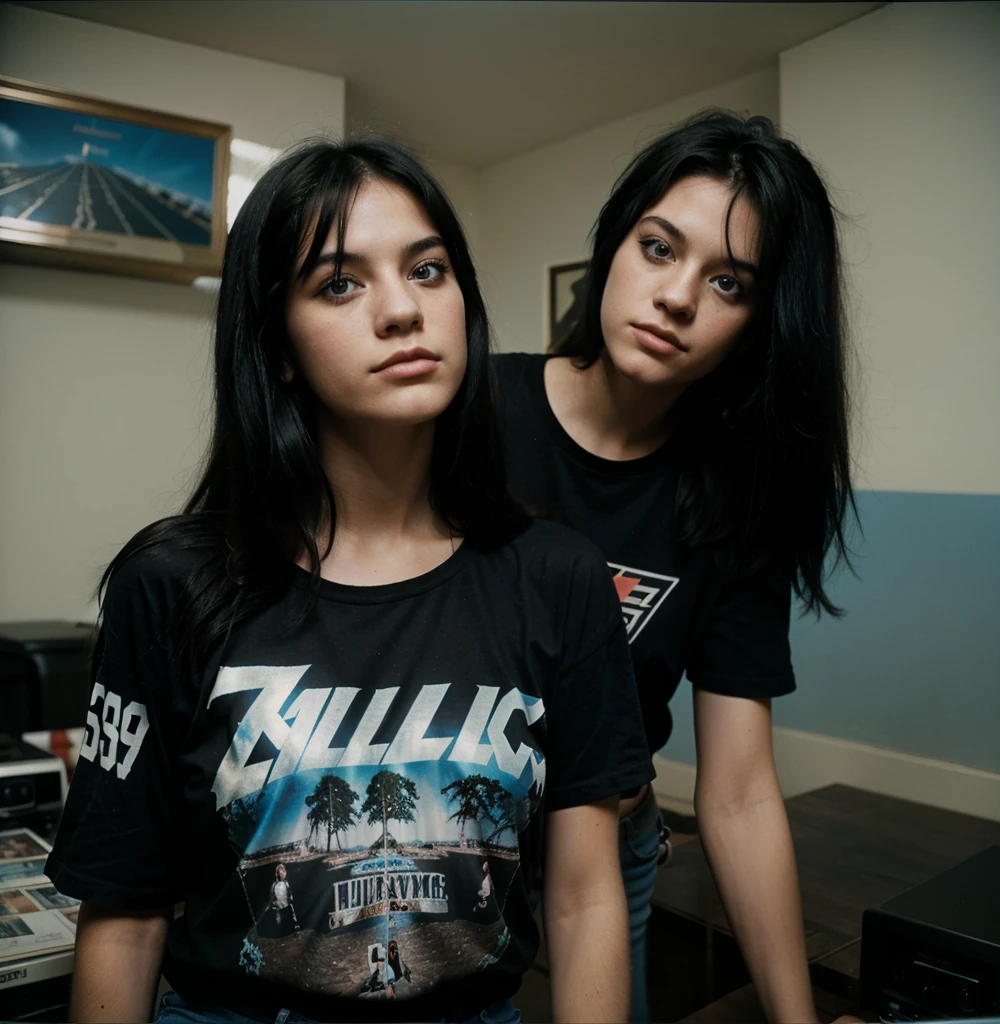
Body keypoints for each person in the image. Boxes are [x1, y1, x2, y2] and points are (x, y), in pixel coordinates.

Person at [45, 136, 654, 1024]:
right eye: (340, 283)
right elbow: (128, 915)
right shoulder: (170, 582)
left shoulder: (556, 575)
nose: (402, 310)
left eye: (429, 269)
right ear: (278, 347)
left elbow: (586, 899)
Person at [493, 110, 858, 1023]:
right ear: (615, 242)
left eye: (727, 281)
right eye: (659, 247)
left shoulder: (736, 502)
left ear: (758, 322)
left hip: (611, 855)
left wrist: (797, 1020)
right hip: (423, 840)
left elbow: (735, 795)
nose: (678, 296)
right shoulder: (469, 412)